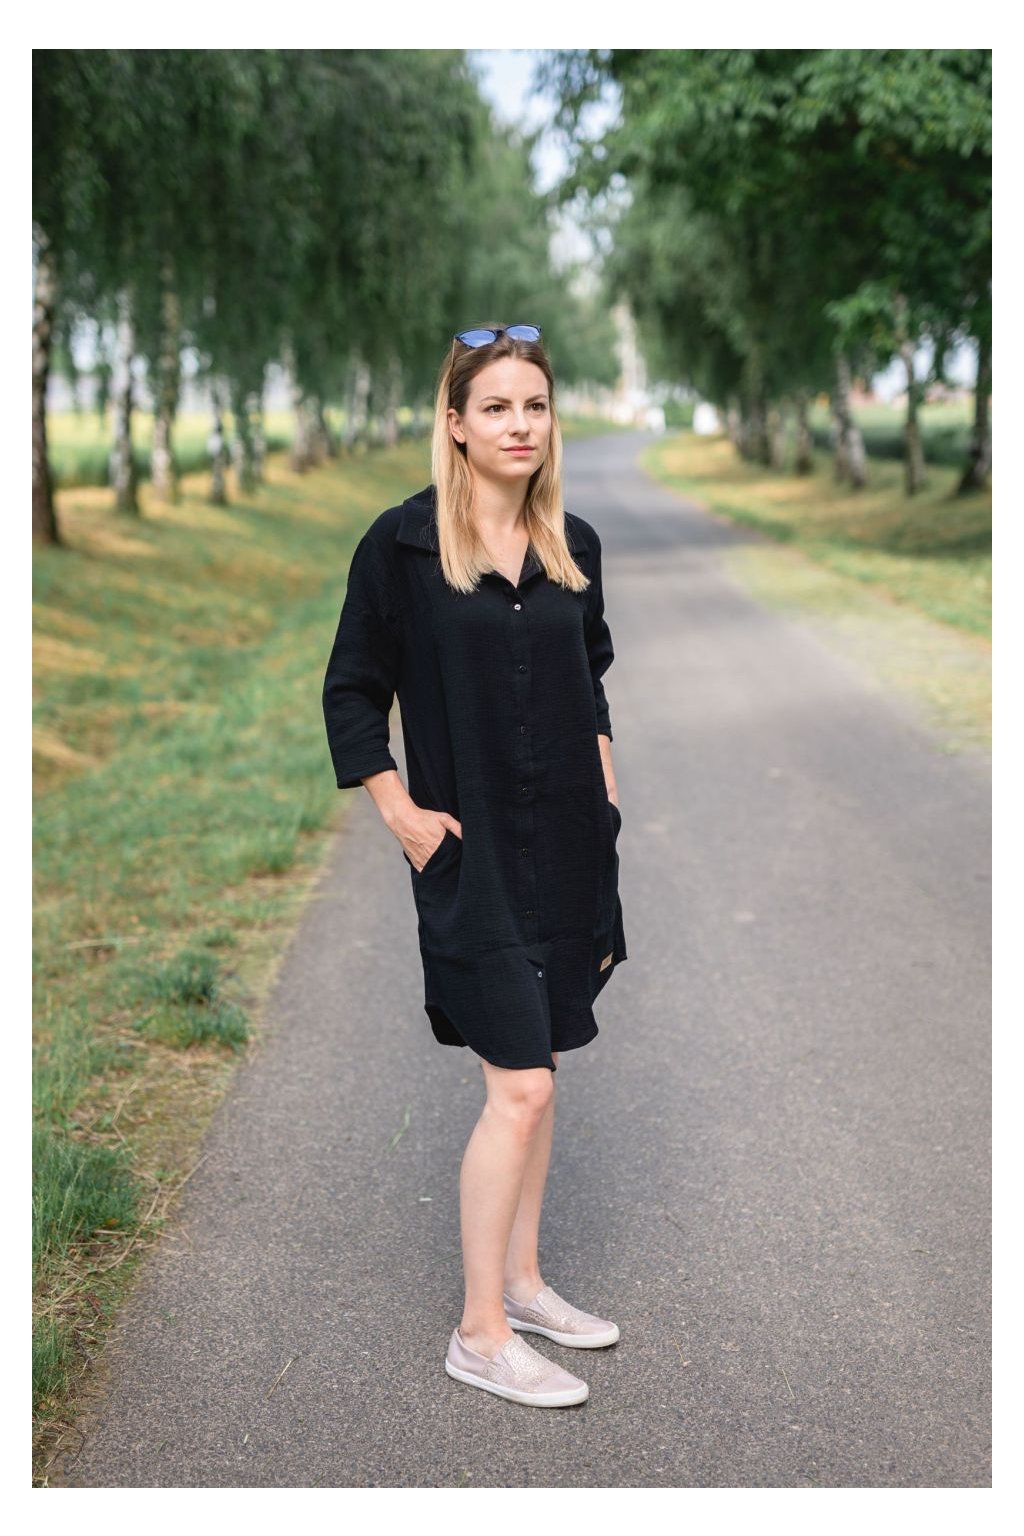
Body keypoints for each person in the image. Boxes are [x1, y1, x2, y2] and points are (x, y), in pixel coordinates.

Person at [322, 323, 627, 1408]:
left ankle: (525, 1285)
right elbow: (352, 690)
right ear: (454, 423)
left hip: (570, 847)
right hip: (473, 854)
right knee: (519, 1085)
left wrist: (606, 786)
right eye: (495, 407)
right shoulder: (402, 548)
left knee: (543, 1072)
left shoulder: (571, 543)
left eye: (534, 406)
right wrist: (400, 814)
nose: (519, 426)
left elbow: (591, 675)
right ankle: (479, 1331)